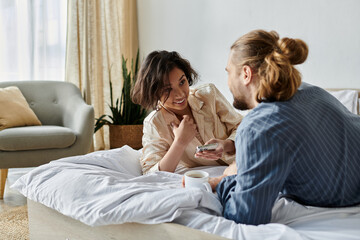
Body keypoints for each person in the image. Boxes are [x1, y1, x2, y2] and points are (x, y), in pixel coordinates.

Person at [210, 29, 360, 225]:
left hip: (348, 195)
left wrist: (229, 179)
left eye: (229, 72)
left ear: (246, 74)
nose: (228, 82)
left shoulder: (257, 127)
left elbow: (245, 216)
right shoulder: (308, 90)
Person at [131, 50, 243, 174]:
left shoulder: (208, 95)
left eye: (182, 82)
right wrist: (180, 142)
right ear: (153, 91)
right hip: (216, 175)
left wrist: (226, 145)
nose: (180, 94)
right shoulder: (154, 123)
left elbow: (243, 127)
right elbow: (151, 173)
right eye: (167, 89)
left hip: (245, 159)